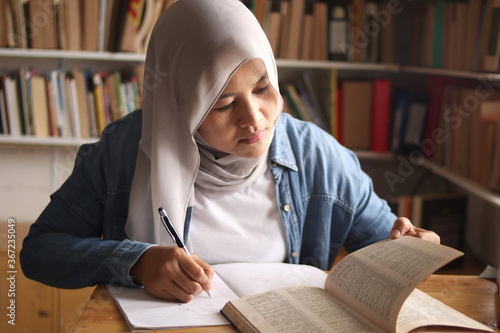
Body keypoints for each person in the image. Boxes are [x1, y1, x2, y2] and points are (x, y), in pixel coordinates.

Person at [20, 0, 439, 303]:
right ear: (180, 105)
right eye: (222, 104)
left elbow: (385, 250)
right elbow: (40, 251)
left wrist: (410, 249)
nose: (255, 119)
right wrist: (136, 262)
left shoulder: (317, 156)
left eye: (263, 89)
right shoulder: (123, 152)